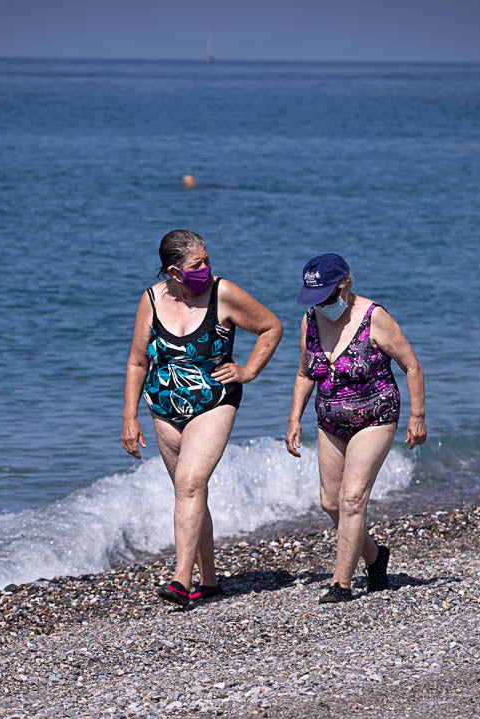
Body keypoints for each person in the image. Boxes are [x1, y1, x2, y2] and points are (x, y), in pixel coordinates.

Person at [122, 229, 283, 606]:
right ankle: (209, 580)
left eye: (207, 259)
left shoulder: (222, 292)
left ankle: (181, 579)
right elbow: (137, 361)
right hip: (162, 406)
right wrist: (130, 417)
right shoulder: (151, 299)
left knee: (191, 484)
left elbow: (271, 327)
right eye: (197, 264)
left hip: (214, 401)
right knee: (188, 492)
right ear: (173, 272)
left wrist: (249, 370)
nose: (206, 268)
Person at [284, 253, 426, 603]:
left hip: (375, 415)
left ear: (345, 285)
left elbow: (411, 366)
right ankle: (376, 557)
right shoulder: (310, 320)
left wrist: (417, 416)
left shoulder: (375, 318)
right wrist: (294, 418)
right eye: (316, 299)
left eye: (328, 297)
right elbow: (305, 373)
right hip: (329, 419)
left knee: (352, 497)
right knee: (330, 502)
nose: (322, 305)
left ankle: (341, 583)